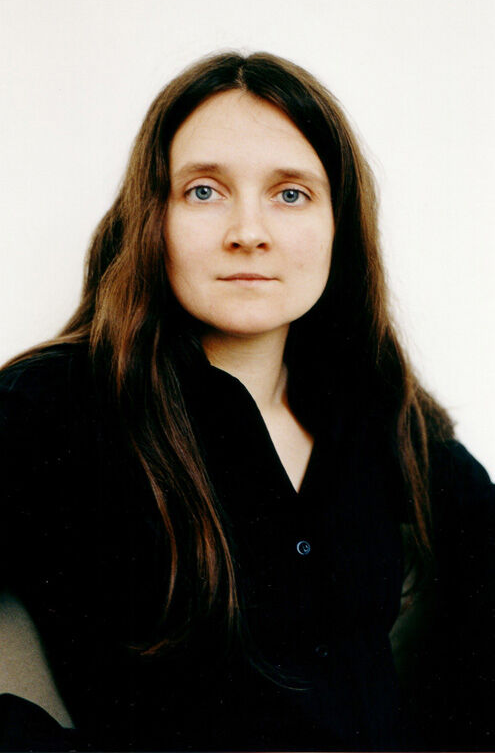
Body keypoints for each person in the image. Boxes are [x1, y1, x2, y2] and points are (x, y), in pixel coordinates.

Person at [0, 51, 494, 752]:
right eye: (204, 191)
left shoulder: (381, 417)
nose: (248, 231)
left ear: (339, 225)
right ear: (153, 215)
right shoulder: (52, 408)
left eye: (290, 194)